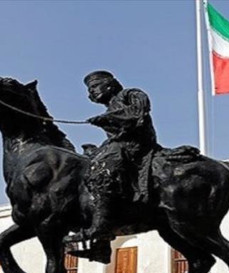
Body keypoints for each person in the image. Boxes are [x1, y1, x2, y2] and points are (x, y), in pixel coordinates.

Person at [66, 71, 160, 261]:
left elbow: (138, 112)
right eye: (89, 91)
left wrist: (108, 118)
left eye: (93, 88)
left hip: (137, 144)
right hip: (119, 146)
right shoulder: (109, 108)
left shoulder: (131, 94)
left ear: (108, 85)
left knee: (105, 167)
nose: (90, 94)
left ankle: (100, 228)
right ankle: (101, 245)